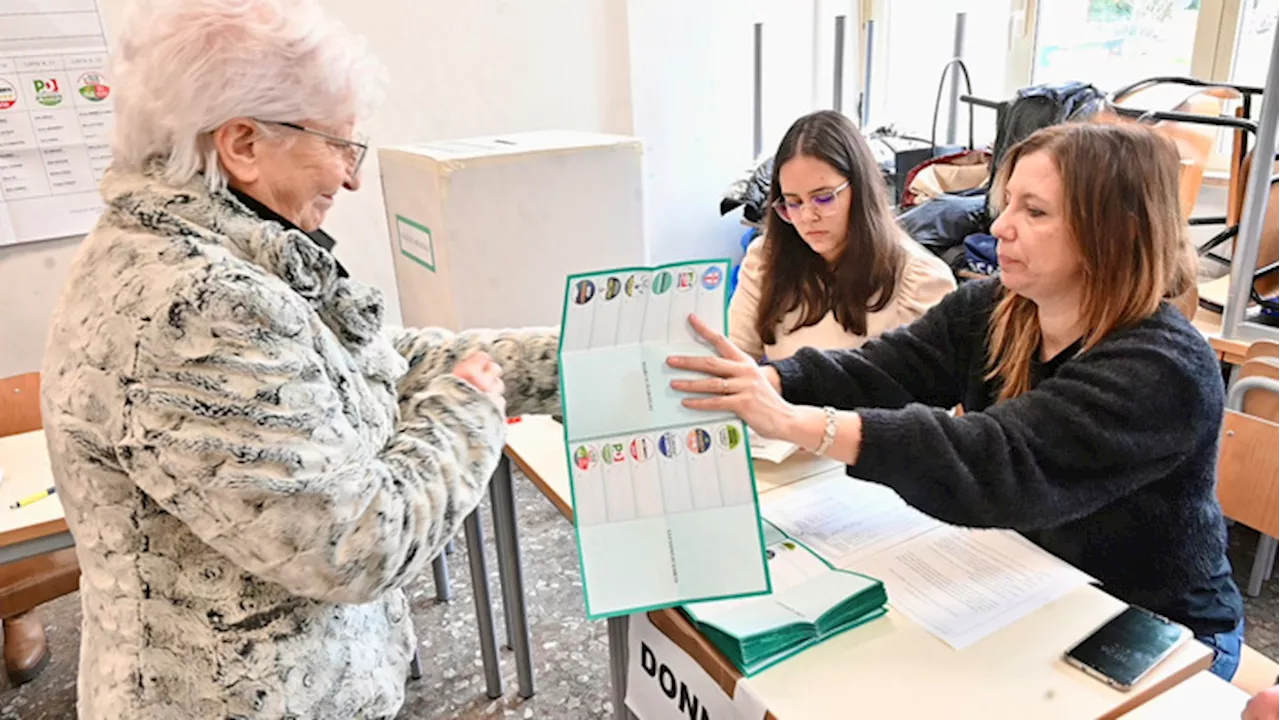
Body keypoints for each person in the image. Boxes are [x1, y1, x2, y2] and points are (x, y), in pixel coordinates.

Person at [39, 0, 558, 717]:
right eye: (340, 146)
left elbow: (358, 363)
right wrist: (467, 410)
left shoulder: (212, 249)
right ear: (243, 143)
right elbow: (356, 541)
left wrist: (550, 361)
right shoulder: (194, 305)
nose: (350, 179)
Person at [668, 121, 1245, 679]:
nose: (1001, 228)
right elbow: (887, 368)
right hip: (1033, 577)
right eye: (1008, 202)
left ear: (1112, 234)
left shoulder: (1163, 368)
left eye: (1035, 211)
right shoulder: (997, 307)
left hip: (1158, 625)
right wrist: (772, 381)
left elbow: (999, 460)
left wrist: (804, 424)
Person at [729, 110, 955, 361]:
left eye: (823, 198)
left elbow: (928, 392)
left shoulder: (920, 281)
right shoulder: (766, 259)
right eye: (792, 203)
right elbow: (737, 358)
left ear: (860, 190)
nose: (807, 217)